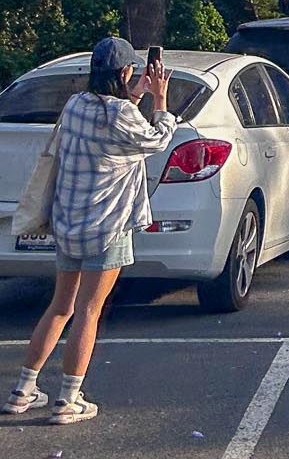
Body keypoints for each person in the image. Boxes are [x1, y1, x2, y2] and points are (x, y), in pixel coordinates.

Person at [3, 37, 176, 427]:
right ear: (126, 73)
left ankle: (23, 391)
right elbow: (157, 138)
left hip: (69, 224)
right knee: (89, 312)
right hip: (107, 227)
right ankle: (67, 399)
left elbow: (113, 121)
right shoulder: (122, 115)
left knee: (60, 306)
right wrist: (159, 99)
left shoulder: (76, 105)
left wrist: (134, 97)